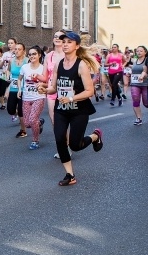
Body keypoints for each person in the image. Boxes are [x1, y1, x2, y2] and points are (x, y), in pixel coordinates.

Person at [42, 31, 103, 186]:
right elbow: (53, 88)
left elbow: (90, 91)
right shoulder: (58, 64)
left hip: (79, 110)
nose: (65, 44)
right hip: (61, 108)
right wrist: (44, 89)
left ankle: (95, 136)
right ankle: (70, 175)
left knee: (75, 145)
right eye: (63, 42)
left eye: (69, 42)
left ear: (77, 45)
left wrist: (71, 98)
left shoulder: (81, 65)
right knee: (59, 139)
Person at [18, 46, 47, 149]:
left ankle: (35, 140)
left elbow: (48, 82)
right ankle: (39, 123)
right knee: (27, 124)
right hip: (26, 97)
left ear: (39, 55)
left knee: (32, 119)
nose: (31, 56)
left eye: (34, 54)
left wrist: (42, 85)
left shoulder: (43, 68)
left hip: (39, 97)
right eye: (30, 54)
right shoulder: (24, 67)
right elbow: (19, 79)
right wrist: (19, 89)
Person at [8, 42, 27, 135]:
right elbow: (8, 70)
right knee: (10, 109)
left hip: (24, 89)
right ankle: (35, 122)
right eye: (16, 49)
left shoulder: (27, 61)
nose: (17, 51)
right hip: (13, 88)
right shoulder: (11, 61)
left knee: (21, 111)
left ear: (23, 51)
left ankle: (23, 130)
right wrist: (8, 77)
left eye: (19, 49)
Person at [129, 45, 148, 126]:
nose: (139, 52)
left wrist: (144, 75)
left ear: (145, 52)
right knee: (135, 99)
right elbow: (134, 71)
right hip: (135, 83)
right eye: (137, 51)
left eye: (141, 51)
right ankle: (138, 118)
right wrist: (129, 73)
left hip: (145, 84)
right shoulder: (135, 60)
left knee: (146, 103)